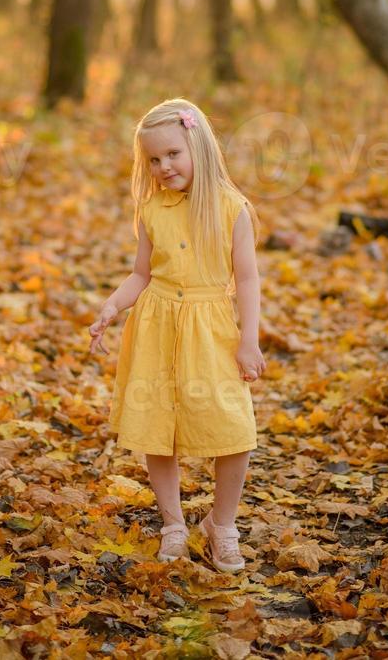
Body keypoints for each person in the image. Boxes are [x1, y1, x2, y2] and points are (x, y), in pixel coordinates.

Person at [88, 98, 266, 573]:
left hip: (211, 330)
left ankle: (221, 524)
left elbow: (246, 280)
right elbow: (141, 274)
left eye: (173, 154)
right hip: (156, 326)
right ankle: (173, 523)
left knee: (233, 427)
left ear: (198, 147)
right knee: (159, 426)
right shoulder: (151, 209)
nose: (163, 166)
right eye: (153, 159)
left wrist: (249, 338)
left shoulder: (232, 209)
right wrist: (111, 305)